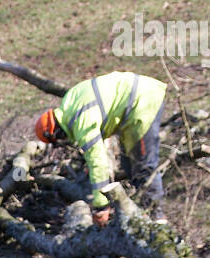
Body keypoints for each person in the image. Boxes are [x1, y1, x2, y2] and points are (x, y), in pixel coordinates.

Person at [35, 72, 167, 225]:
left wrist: (101, 206)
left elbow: (98, 162)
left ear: (56, 131)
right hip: (131, 106)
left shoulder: (80, 121)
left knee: (144, 166)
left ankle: (157, 219)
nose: (64, 141)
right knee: (128, 165)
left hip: (142, 101)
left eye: (59, 139)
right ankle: (140, 213)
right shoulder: (70, 103)